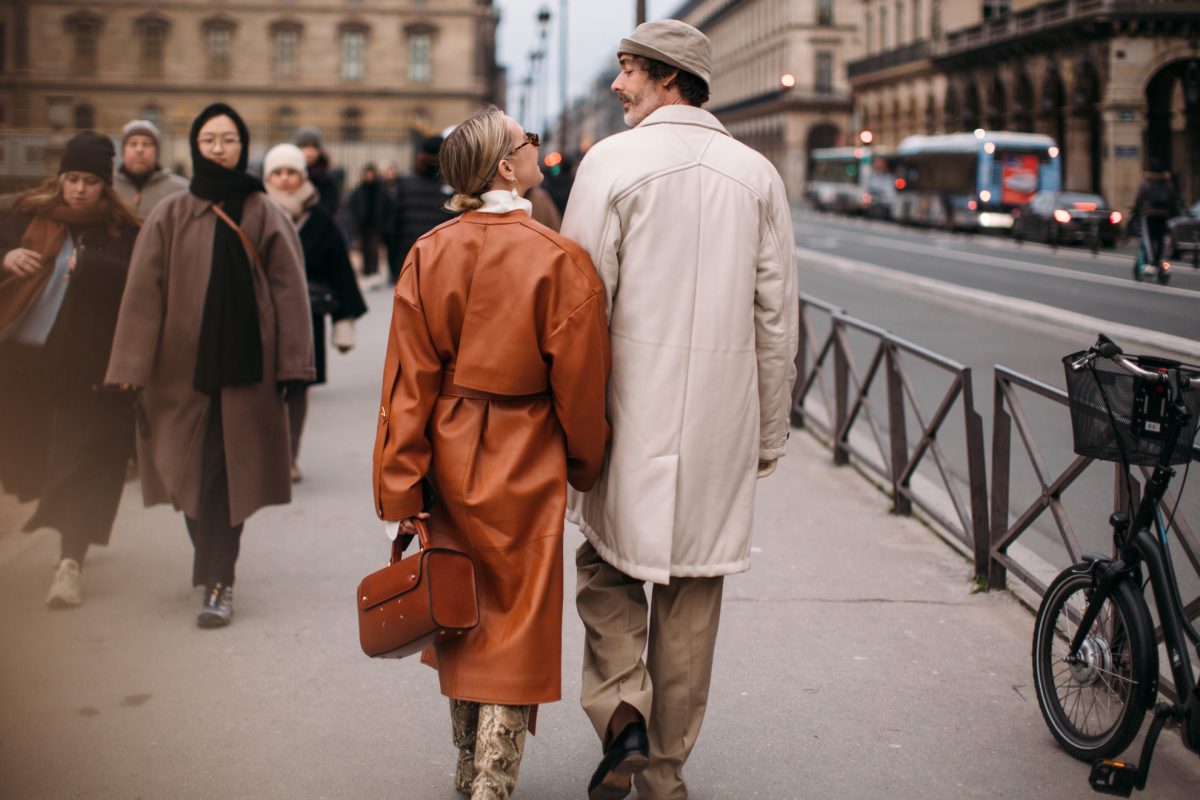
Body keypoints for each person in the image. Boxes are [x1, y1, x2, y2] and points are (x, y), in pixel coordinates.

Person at [559, 20, 798, 800]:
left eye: (627, 71)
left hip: (628, 412)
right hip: (720, 423)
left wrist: (570, 424)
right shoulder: (756, 174)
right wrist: (767, 431)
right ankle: (664, 775)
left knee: (605, 567)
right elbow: (777, 318)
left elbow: (578, 306)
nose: (617, 87)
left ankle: (622, 712)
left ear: (667, 78)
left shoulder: (612, 163)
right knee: (693, 595)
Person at [373, 106, 611, 800]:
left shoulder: (431, 250)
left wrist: (400, 488)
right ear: (506, 166)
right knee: (519, 615)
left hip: (449, 444)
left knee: (461, 603)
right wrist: (584, 463)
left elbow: (406, 382)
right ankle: (492, 779)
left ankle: (467, 762)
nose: (537, 148)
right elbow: (581, 384)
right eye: (527, 142)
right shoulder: (559, 256)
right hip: (527, 448)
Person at [105, 103, 315, 628]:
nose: (219, 148)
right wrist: (130, 365)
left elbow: (290, 292)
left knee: (228, 477)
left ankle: (219, 579)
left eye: (228, 139)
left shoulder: (264, 211)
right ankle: (211, 561)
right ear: (196, 147)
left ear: (243, 146)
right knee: (184, 473)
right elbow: (143, 294)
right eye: (209, 140)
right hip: (179, 372)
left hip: (247, 372)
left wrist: (294, 365)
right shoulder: (171, 213)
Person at [0, 131, 141, 608]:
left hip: (88, 369)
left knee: (83, 464)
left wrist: (91, 266)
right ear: (60, 179)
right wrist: (5, 257)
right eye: (72, 179)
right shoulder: (24, 214)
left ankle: (69, 562)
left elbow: (136, 281)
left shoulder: (120, 231)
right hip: (23, 364)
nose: (79, 189)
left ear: (106, 185)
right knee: (29, 464)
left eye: (90, 181)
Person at [262, 143, 367, 482]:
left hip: (306, 318)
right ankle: (265, 455)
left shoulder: (319, 218)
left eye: (291, 172)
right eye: (277, 173)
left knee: (297, 389)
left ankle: (288, 457)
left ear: (302, 176)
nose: (284, 179)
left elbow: (340, 271)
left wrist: (344, 322)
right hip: (262, 316)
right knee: (263, 390)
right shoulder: (257, 214)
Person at [382, 136, 452, 283]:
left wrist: (394, 267)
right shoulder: (451, 187)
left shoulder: (404, 185)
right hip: (439, 260)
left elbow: (391, 229)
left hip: (409, 258)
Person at [113, 119, 188, 219]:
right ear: (123, 151)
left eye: (147, 144)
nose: (139, 150)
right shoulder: (109, 187)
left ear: (157, 152)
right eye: (133, 144)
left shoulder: (181, 190)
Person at [1130, 158, 1183, 266]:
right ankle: (1160, 260)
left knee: (1147, 238)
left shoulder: (1146, 182)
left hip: (1149, 214)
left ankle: (1151, 260)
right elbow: (1173, 198)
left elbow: (1139, 198)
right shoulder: (1167, 183)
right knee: (1160, 238)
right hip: (1163, 214)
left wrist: (1135, 210)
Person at [348, 163, 385, 283]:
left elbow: (385, 207)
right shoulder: (359, 190)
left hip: (375, 224)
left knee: (373, 248)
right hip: (362, 224)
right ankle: (366, 271)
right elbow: (352, 206)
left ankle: (373, 271)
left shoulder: (380, 190)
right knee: (363, 248)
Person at [295, 126, 341, 217]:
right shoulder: (291, 173)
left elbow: (331, 206)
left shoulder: (326, 177)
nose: (309, 151)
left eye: (314, 147)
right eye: (305, 146)